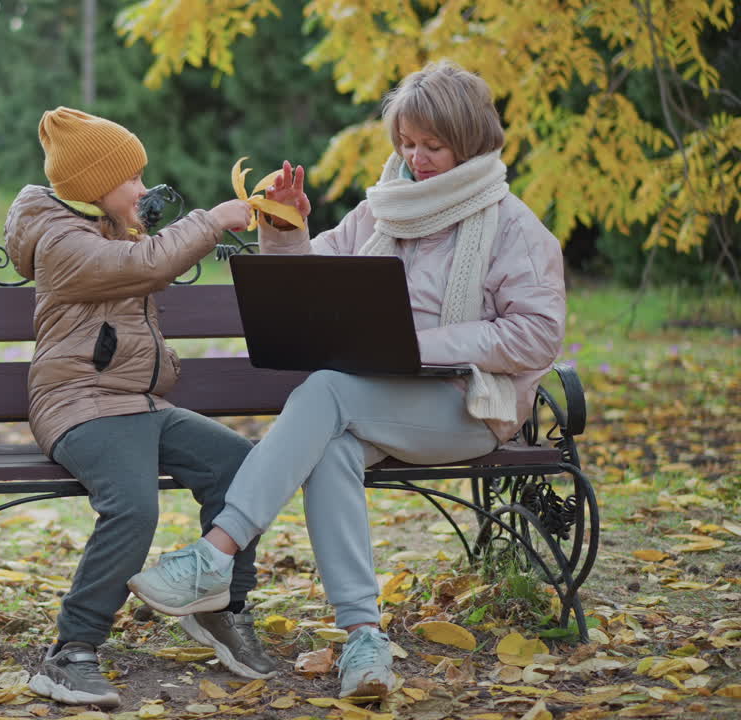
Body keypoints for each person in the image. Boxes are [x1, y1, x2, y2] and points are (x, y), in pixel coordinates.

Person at [128, 61, 567, 700]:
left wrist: (420, 346)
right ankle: (364, 639)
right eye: (407, 143)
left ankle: (213, 556)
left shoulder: (513, 227)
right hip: (376, 400)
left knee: (327, 390)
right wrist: (287, 230)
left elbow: (536, 336)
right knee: (330, 444)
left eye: (432, 146)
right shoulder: (383, 211)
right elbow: (315, 280)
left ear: (471, 141)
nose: (416, 158)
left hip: (464, 407)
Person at [4, 107, 279, 708]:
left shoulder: (103, 228)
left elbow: (145, 258)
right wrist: (209, 221)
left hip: (136, 404)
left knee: (241, 468)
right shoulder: (62, 241)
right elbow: (145, 267)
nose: (142, 188)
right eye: (130, 177)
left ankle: (218, 607)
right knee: (133, 505)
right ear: (91, 185)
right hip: (79, 405)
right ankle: (71, 652)